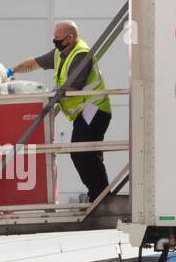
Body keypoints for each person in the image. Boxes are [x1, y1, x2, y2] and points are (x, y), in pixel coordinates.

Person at [12, 20, 112, 200]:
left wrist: (51, 94)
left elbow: (73, 88)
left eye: (58, 38)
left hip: (94, 109)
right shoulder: (61, 52)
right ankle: (102, 197)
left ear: (70, 37)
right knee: (88, 155)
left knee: (82, 154)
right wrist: (11, 71)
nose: (55, 41)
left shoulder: (80, 54)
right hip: (86, 111)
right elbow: (34, 63)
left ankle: (100, 197)